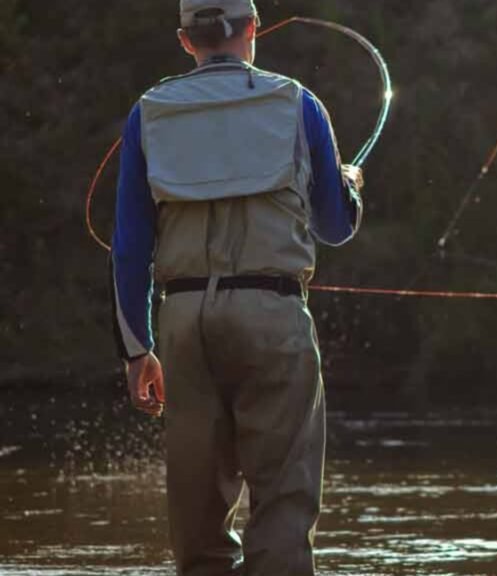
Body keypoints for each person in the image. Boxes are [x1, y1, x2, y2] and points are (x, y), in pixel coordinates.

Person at [110, 1, 363, 574]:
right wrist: (350, 184)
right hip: (272, 312)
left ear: (185, 40)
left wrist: (135, 349)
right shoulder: (297, 102)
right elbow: (335, 226)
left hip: (183, 319)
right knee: (283, 499)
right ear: (253, 29)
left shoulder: (149, 112)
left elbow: (128, 245)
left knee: (197, 511)